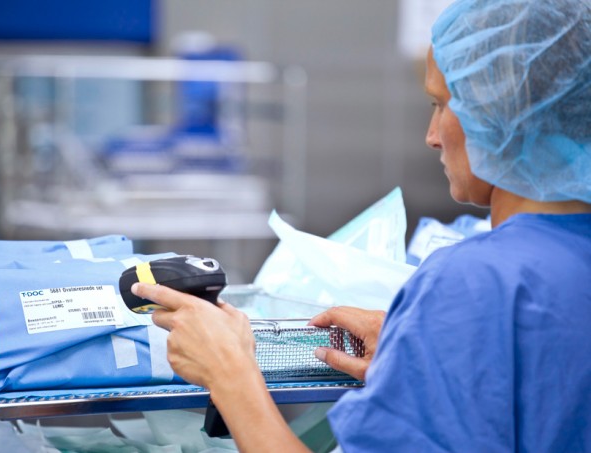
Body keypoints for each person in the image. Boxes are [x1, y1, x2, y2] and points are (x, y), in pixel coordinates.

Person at [131, 0, 591, 451]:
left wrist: (229, 373)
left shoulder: (477, 284)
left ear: (499, 111)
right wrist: (420, 350)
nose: (431, 136)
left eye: (440, 105)